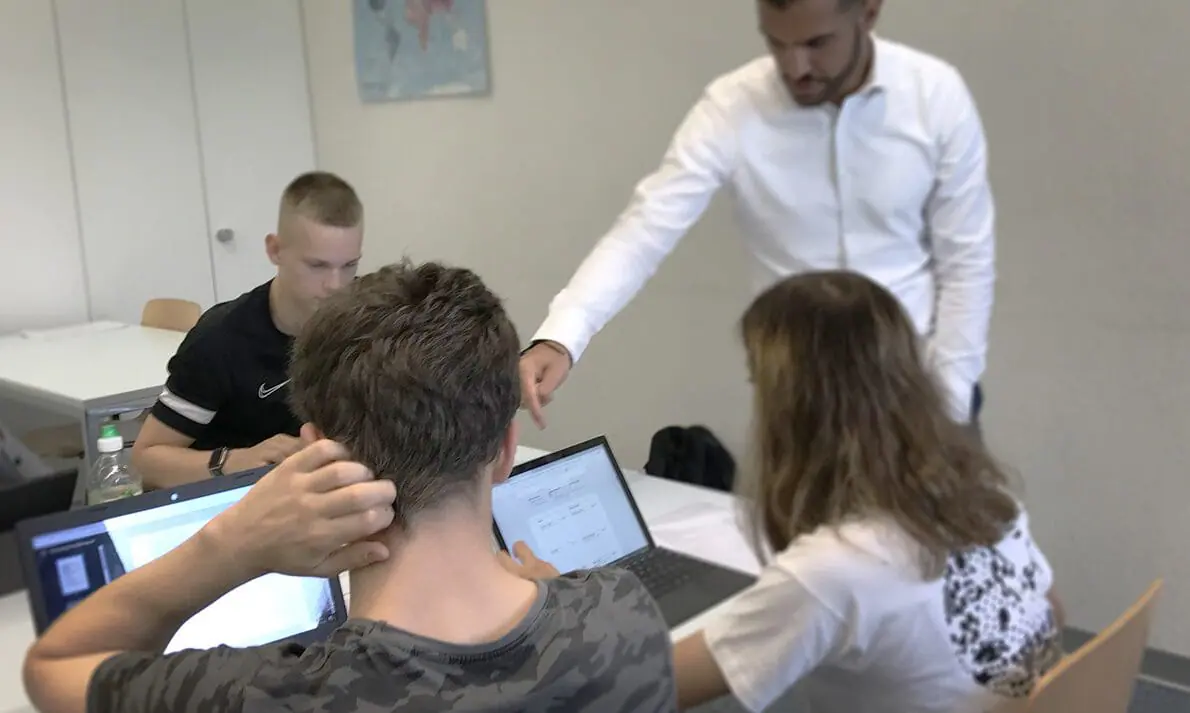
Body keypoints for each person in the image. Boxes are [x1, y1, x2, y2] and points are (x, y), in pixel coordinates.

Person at [24, 261, 676, 713]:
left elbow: (52, 667)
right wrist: (556, 593)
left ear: (315, 456)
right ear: (505, 451)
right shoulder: (625, 614)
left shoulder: (254, 693)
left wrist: (231, 543)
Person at [512, 271, 1063, 712]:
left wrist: (571, 606)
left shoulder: (834, 570)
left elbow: (646, 690)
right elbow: (1052, 615)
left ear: (795, 410)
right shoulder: (989, 504)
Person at [521, 0, 995, 428]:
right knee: (803, 527)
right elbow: (643, 231)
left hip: (920, 381)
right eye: (777, 42)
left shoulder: (936, 95)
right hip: (798, 391)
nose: (795, 67)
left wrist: (948, 402)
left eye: (816, 43)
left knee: (945, 526)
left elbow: (967, 261)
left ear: (868, 13)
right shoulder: (732, 106)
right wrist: (563, 336)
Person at [131, 171, 365, 489]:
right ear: (275, 250)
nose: (336, 286)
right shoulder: (221, 339)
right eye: (317, 265)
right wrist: (232, 461)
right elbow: (147, 459)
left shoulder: (360, 324)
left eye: (349, 265)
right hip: (229, 504)